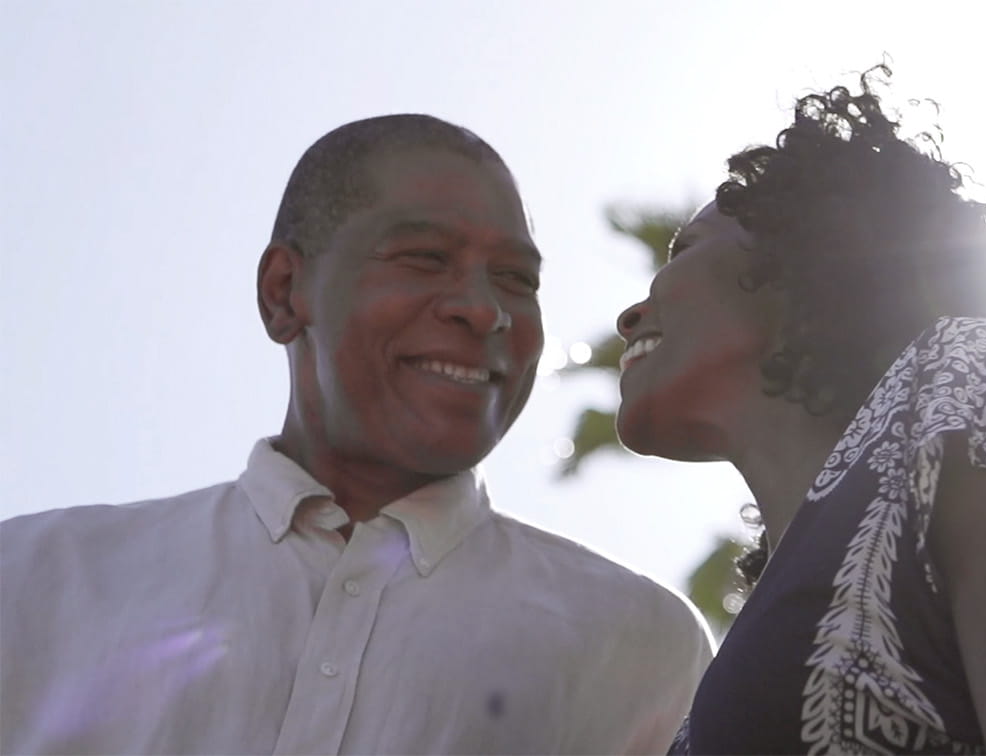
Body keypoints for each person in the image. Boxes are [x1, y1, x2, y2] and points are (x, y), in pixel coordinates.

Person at [0, 114, 714, 755]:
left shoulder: (642, 644)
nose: (482, 309)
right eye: (424, 258)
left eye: (515, 279)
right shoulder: (34, 577)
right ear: (283, 292)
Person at [614, 66, 986, 755]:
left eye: (683, 250)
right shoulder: (742, 648)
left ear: (804, 257)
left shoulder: (970, 384)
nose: (629, 315)